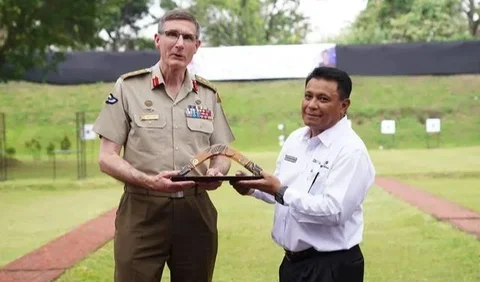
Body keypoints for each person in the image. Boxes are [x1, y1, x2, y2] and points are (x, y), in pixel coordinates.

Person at [92, 8, 235, 282]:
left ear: (197, 46)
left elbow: (221, 151)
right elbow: (107, 157)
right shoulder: (128, 87)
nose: (179, 43)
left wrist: (218, 170)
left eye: (188, 37)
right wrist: (148, 181)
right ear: (158, 40)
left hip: (196, 210)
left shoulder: (207, 95)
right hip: (142, 209)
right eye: (172, 34)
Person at [230, 67, 375, 282]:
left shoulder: (350, 151)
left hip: (332, 268)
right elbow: (283, 191)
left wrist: (279, 190)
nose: (312, 105)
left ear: (344, 106)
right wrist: (253, 188)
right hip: (293, 264)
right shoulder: (296, 139)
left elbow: (334, 212)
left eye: (323, 98)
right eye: (308, 96)